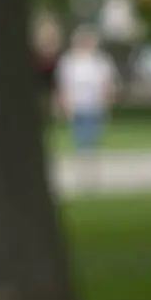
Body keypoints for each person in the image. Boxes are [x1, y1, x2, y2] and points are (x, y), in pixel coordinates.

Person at [56, 28, 118, 191]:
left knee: (92, 138)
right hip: (77, 105)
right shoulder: (69, 61)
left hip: (94, 105)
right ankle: (82, 171)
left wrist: (107, 102)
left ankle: (90, 172)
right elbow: (64, 85)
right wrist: (65, 104)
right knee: (80, 139)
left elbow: (107, 84)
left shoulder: (100, 61)